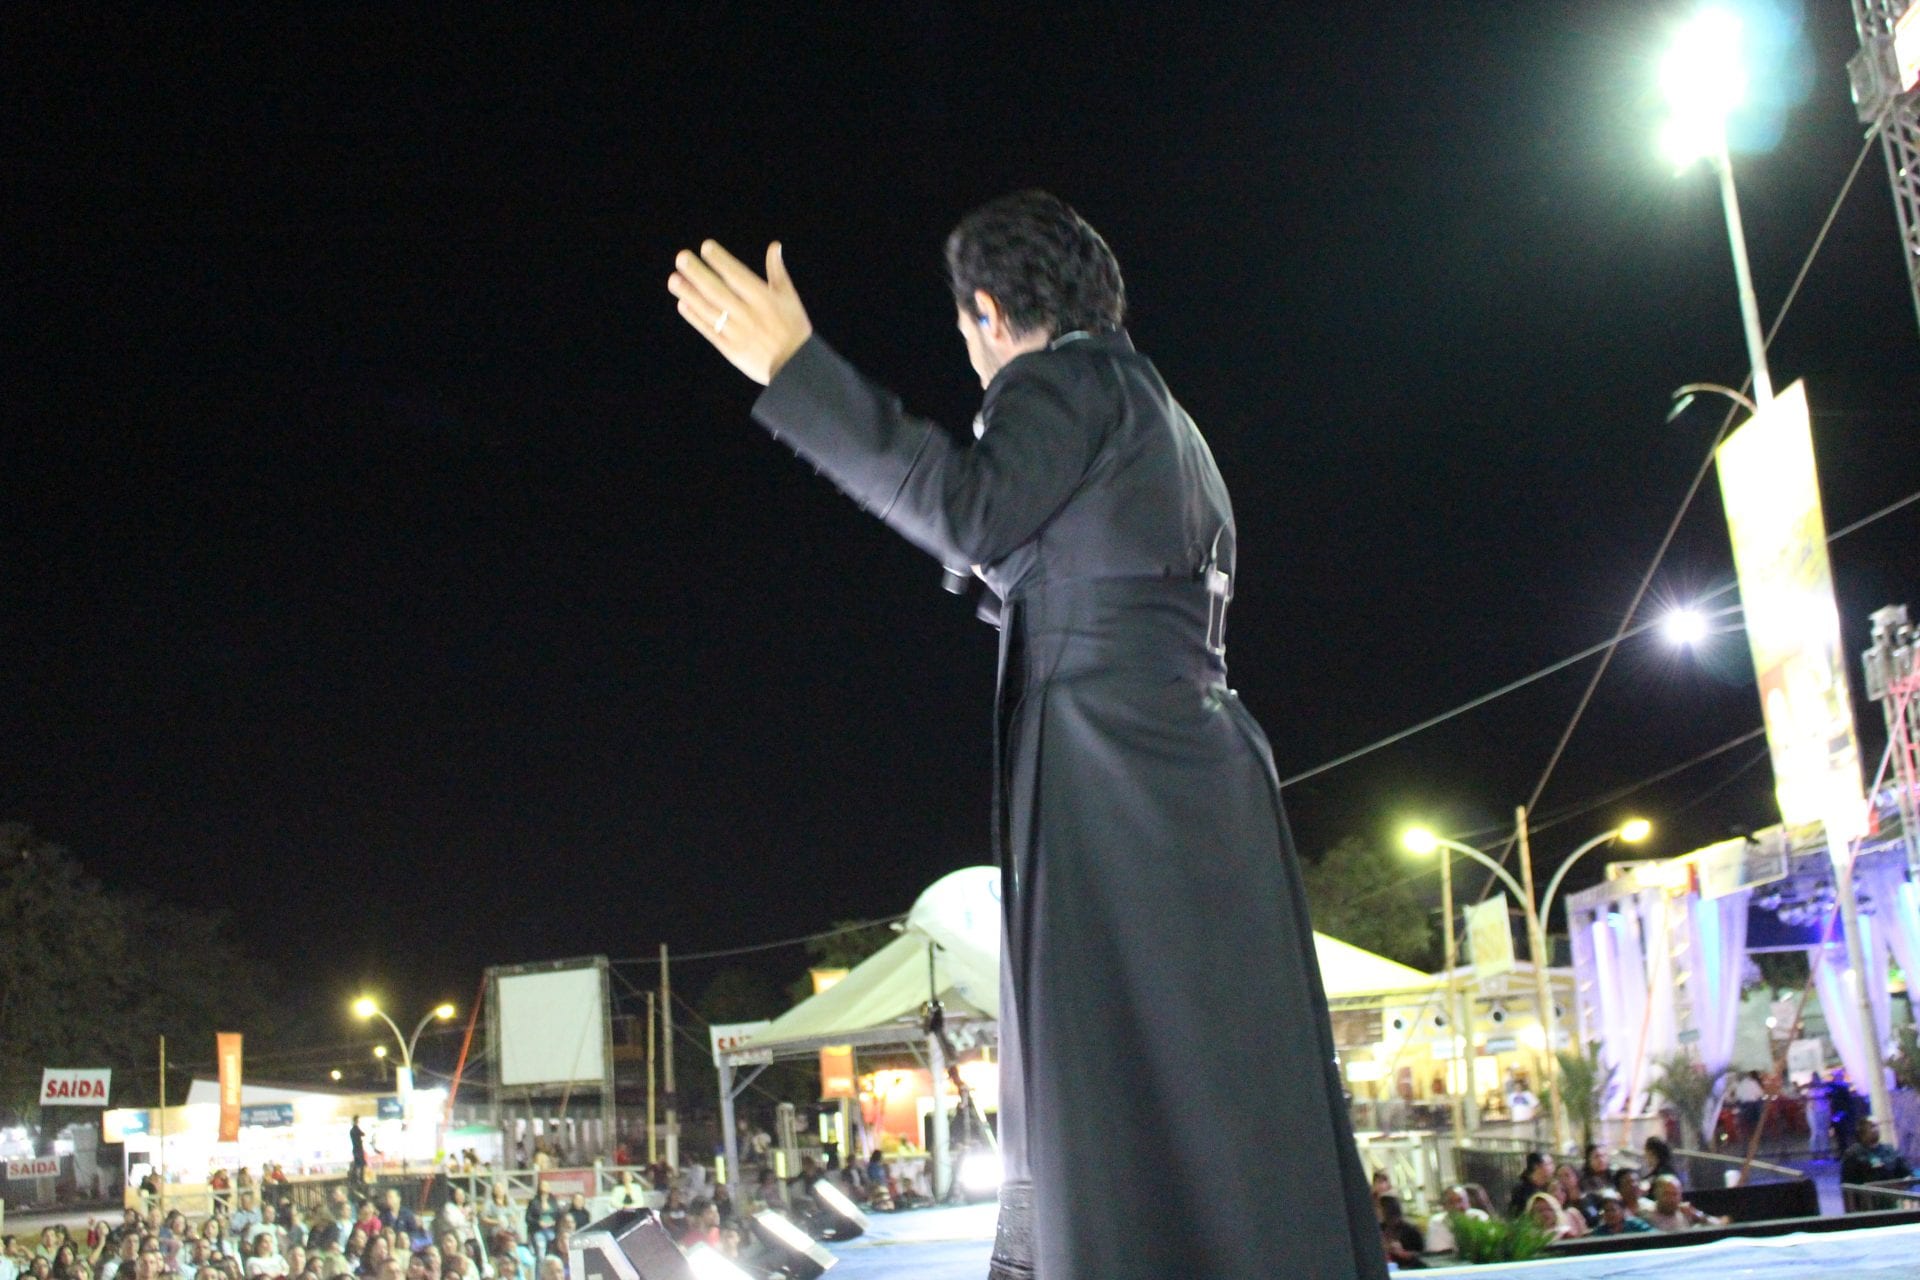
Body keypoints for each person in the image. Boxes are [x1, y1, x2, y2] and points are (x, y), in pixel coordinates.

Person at [666, 189, 1388, 1280]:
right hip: (1196, 767)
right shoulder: (1159, 414)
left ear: (990, 315)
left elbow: (969, 510)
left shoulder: (1059, 382)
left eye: (966, 331)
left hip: (1110, 766)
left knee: (1110, 1075)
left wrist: (796, 368)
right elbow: (1050, 554)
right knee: (1220, 1078)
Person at [1841, 1116, 1914, 1207]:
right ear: (1862, 1130)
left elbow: (1906, 1172)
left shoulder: (1889, 1150)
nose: (1876, 1129)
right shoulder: (1852, 1154)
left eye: (1877, 1126)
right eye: (1872, 1126)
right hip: (1866, 1206)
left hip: (1890, 1203)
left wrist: (1904, 1183)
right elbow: (1848, 1185)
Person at [1643, 1173, 1722, 1231]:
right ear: (1657, 1193)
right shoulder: (1645, 1212)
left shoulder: (1685, 1213)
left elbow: (1720, 1226)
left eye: (1675, 1194)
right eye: (1666, 1194)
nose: (1671, 1199)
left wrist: (1697, 1215)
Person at [1423, 1185, 1487, 1254]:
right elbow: (1440, 1252)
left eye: (1460, 1200)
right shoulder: (1437, 1223)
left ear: (1468, 1202)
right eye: (1451, 1202)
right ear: (1444, 1206)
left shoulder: (1479, 1216)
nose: (1457, 1206)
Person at [1376, 1197, 1425, 1269]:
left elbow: (1423, 1255)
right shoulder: (1379, 1228)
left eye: (1378, 1207)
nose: (1375, 1211)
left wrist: (1401, 1253)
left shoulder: (1410, 1230)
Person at [1507, 1153, 1555, 1217]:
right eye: (1549, 1164)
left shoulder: (1550, 1187)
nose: (1553, 1167)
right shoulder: (1521, 1191)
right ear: (1536, 1166)